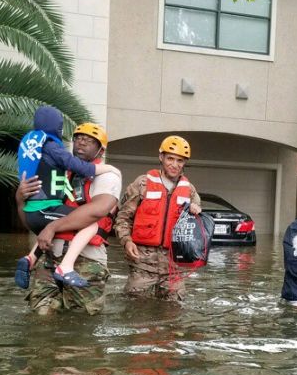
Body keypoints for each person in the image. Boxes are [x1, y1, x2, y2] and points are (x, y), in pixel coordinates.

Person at [14, 123, 121, 315]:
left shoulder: (107, 176)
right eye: (78, 139)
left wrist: (53, 227)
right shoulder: (59, 173)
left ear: (101, 150)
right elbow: (31, 222)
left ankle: (33, 258)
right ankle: (31, 259)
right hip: (49, 258)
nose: (81, 144)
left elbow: (97, 210)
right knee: (40, 321)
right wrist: (20, 199)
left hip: (87, 260)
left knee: (80, 327)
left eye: (88, 141)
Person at [113, 135, 202, 301]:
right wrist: (126, 241)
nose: (174, 165)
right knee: (135, 309)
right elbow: (122, 218)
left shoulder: (190, 191)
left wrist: (195, 211)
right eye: (170, 158)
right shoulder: (142, 184)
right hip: (142, 263)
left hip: (174, 266)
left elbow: (197, 231)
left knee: (173, 312)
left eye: (180, 161)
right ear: (161, 157)